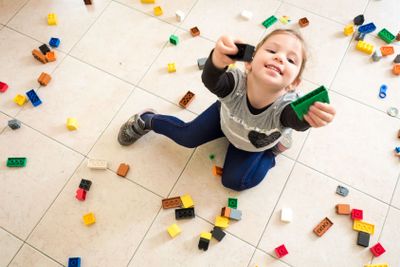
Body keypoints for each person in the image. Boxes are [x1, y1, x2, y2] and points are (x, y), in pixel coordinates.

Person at [117, 29, 336, 191]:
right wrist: (217, 60)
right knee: (186, 137)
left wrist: (309, 117)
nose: (280, 57)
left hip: (256, 144)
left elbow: (295, 120)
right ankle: (147, 120)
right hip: (225, 119)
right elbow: (212, 80)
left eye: (290, 60)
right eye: (271, 50)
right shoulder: (236, 82)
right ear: (249, 63)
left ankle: (273, 152)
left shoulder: (286, 107)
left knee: (235, 182)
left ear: (293, 83)